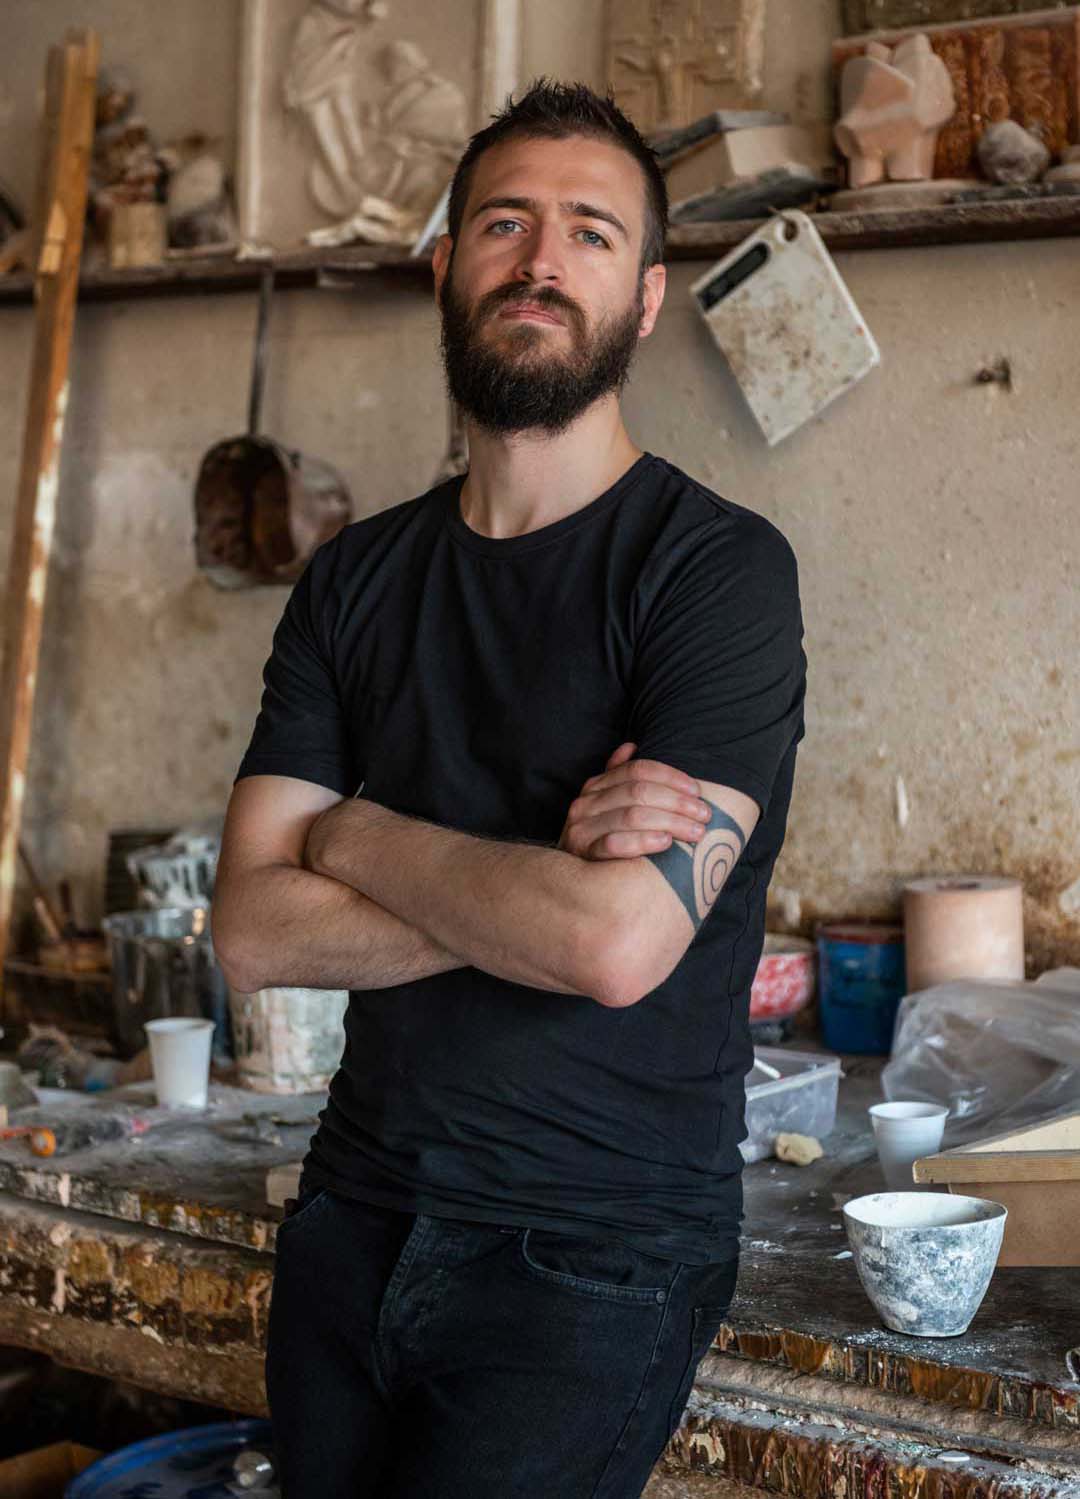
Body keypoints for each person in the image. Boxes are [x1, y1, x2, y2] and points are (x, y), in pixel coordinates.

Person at [213, 79, 806, 1499]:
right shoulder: (356, 578)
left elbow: (613, 947)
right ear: (445, 266)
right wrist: (540, 868)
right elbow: (249, 932)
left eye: (591, 233)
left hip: (589, 1256)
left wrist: (346, 834)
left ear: (647, 296)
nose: (543, 260)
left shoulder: (714, 575)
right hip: (355, 1219)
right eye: (506, 223)